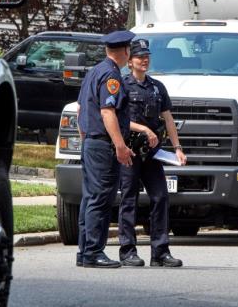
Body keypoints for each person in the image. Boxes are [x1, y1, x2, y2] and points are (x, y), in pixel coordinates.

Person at [118, 39, 187, 268]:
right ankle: (128, 251)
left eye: (147, 56)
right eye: (139, 57)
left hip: (152, 154)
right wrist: (144, 129)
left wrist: (177, 148)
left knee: (160, 197)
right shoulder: (122, 85)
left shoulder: (157, 87)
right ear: (130, 61)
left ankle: (160, 251)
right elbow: (118, 119)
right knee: (129, 199)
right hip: (130, 151)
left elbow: (168, 119)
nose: (144, 60)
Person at [76, 30, 135, 268]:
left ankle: (84, 251)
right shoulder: (111, 75)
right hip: (103, 145)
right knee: (100, 199)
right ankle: (93, 252)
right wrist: (120, 145)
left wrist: (87, 139)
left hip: (92, 142)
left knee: (89, 198)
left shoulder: (94, 72)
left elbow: (80, 110)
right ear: (125, 51)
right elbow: (107, 112)